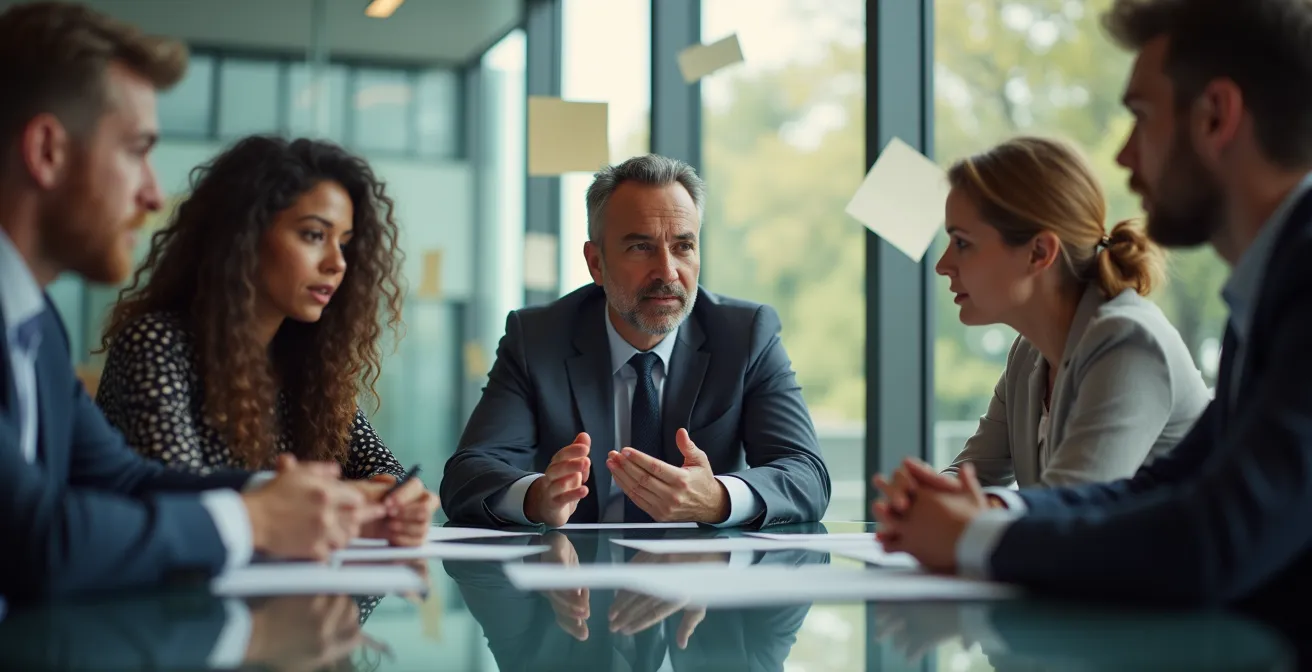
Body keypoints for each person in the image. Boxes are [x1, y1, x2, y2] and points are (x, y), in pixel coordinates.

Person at [872, 0, 1312, 638]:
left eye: (1140, 117)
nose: (1127, 156)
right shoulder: (1271, 288)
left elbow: (1215, 536)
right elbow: (1170, 484)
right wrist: (986, 509)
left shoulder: (1291, 284)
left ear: (1216, 116)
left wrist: (981, 536)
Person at [0, 1, 388, 600]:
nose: (155, 193)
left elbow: (124, 479)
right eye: (137, 150)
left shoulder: (34, 323)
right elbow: (36, 539)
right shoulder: (144, 340)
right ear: (48, 150)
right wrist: (257, 518)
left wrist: (294, 499)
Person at [441, 154, 830, 528]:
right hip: (577, 582)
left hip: (703, 582)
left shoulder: (746, 335)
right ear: (596, 262)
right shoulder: (538, 338)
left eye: (683, 246)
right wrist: (535, 497)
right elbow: (468, 475)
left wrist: (717, 498)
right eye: (641, 247)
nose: (667, 271)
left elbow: (806, 474)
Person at [93, 135, 438, 546]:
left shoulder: (307, 365)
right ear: (244, 237)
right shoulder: (156, 343)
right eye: (313, 235)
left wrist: (403, 502)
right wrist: (341, 499)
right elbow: (180, 491)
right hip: (161, 599)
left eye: (344, 243)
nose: (337, 263)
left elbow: (386, 474)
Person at [936, 136, 1209, 488]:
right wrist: (924, 497)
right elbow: (972, 476)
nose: (943, 265)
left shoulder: (1130, 344)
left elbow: (1065, 515)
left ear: (1038, 252)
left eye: (962, 243)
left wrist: (953, 510)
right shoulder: (1028, 351)